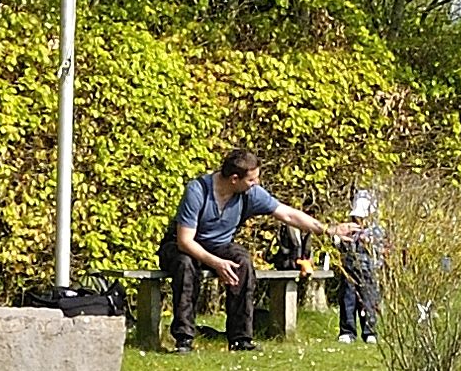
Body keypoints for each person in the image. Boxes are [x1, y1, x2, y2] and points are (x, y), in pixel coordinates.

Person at [163, 150, 333, 350]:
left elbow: (288, 214)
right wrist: (217, 263)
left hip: (219, 245)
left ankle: (241, 339)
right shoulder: (197, 191)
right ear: (234, 179)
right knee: (185, 265)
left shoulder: (250, 193)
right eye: (252, 179)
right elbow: (185, 241)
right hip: (182, 247)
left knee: (242, 261)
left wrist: (328, 230)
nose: (256, 183)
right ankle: (184, 339)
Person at [334, 188, 386, 343]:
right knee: (347, 299)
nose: (360, 220)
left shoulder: (376, 231)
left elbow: (381, 250)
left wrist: (370, 243)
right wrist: (339, 239)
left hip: (368, 270)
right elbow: (340, 248)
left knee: (368, 301)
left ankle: (369, 331)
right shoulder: (349, 229)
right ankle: (347, 331)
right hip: (349, 269)